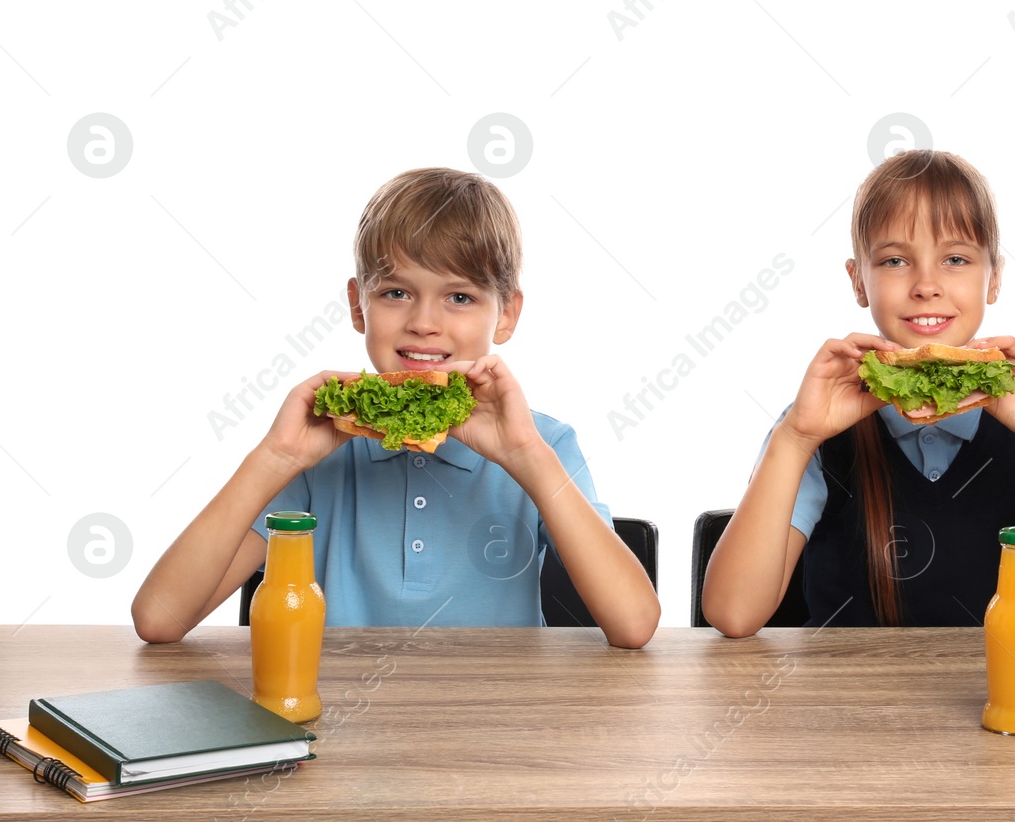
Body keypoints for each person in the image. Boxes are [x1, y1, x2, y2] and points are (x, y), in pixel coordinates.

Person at [132, 168, 660, 649]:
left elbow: (634, 624)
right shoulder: (320, 454)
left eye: (460, 297)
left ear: (507, 315)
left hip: (498, 724)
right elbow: (159, 619)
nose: (424, 322)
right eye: (396, 292)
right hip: (338, 725)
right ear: (358, 305)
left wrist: (528, 456)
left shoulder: (544, 443)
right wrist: (275, 458)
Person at [702, 150, 1015, 637]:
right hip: (843, 702)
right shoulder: (815, 420)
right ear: (859, 280)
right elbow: (732, 614)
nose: (926, 285)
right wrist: (795, 438)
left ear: (994, 277)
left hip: (989, 693)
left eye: (955, 259)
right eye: (895, 260)